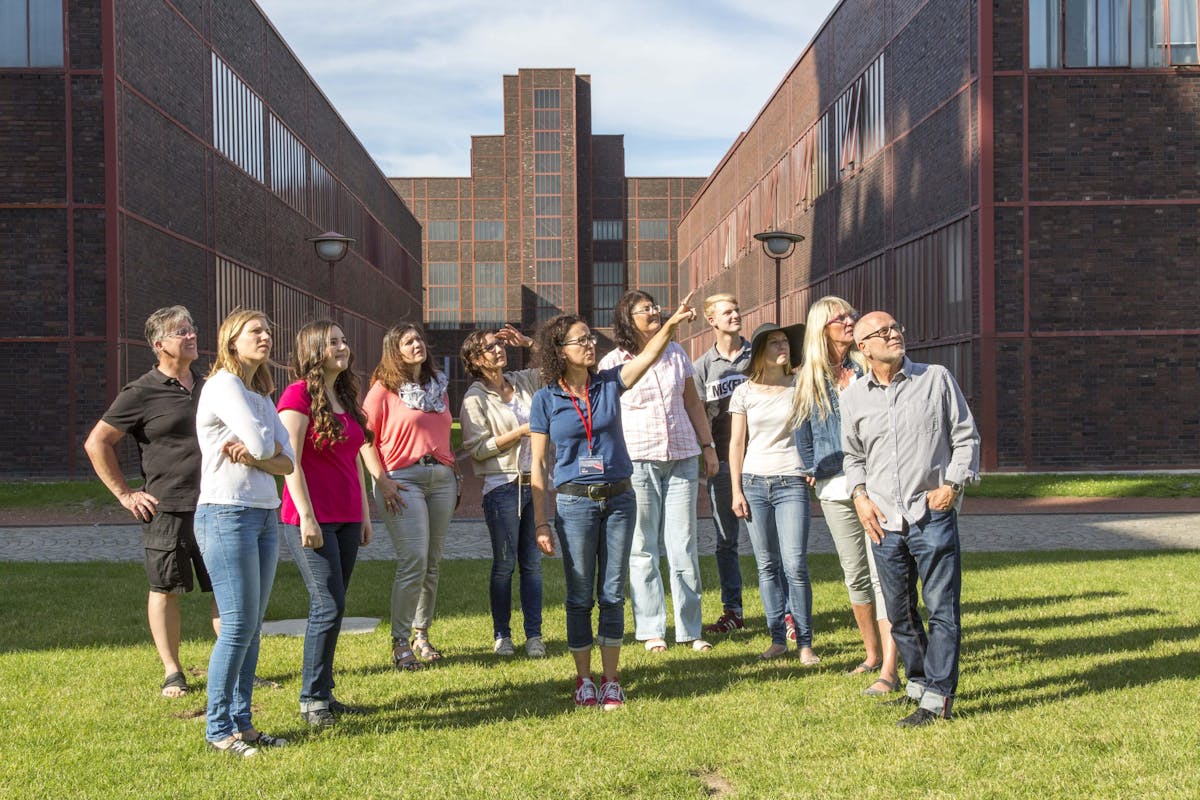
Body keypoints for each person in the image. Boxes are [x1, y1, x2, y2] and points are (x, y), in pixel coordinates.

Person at [529, 293, 698, 710]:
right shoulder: (546, 399)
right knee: (579, 593)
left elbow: (648, 356)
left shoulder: (610, 382)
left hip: (620, 498)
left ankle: (610, 679)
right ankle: (583, 679)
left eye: (590, 338)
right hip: (574, 504)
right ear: (559, 351)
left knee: (612, 592)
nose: (590, 345)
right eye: (580, 340)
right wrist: (541, 523)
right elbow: (536, 465)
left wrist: (672, 324)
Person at [841, 311, 980, 727]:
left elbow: (966, 436)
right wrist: (860, 497)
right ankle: (918, 685)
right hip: (883, 518)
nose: (893, 335)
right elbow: (852, 456)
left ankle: (937, 699)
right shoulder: (853, 397)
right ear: (862, 347)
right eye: (880, 333)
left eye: (896, 327)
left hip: (931, 513)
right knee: (900, 614)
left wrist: (952, 486)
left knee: (941, 610)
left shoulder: (935, 378)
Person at [84, 305, 217, 699]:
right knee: (165, 588)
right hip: (167, 506)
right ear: (159, 345)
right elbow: (97, 443)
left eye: (192, 328)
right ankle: (173, 671)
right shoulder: (141, 392)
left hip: (216, 501)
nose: (191, 335)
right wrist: (125, 494)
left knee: (224, 587)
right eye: (181, 331)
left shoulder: (212, 384)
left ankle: (236, 665)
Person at [195, 309, 295, 757]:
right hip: (225, 513)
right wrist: (262, 452)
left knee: (252, 627)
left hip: (263, 513)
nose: (266, 336)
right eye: (256, 330)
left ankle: (244, 723)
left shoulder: (259, 396)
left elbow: (287, 462)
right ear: (231, 340)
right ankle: (218, 729)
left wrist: (259, 454)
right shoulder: (223, 384)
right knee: (236, 625)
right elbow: (264, 448)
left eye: (270, 330)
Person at [598, 291, 717, 653]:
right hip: (637, 460)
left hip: (682, 455)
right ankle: (652, 630)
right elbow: (605, 414)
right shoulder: (613, 361)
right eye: (645, 309)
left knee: (683, 544)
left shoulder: (677, 353)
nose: (653, 312)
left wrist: (708, 447)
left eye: (654, 307)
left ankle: (690, 629)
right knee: (642, 547)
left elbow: (692, 402)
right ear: (626, 318)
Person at [792, 296, 899, 696]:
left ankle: (890, 661)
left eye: (851, 316)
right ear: (823, 327)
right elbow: (801, 431)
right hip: (833, 486)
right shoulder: (808, 378)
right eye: (841, 318)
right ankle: (872, 654)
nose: (850, 322)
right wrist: (809, 467)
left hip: (874, 482)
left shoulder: (866, 366)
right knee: (854, 572)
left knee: (881, 568)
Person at [278, 320, 382, 727]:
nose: (343, 346)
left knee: (335, 606)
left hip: (347, 517)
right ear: (314, 349)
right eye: (333, 342)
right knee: (327, 604)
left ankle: (324, 694)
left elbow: (354, 458)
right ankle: (311, 701)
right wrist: (306, 516)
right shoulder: (296, 395)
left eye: (343, 340)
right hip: (311, 518)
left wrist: (365, 514)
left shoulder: (344, 394)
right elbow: (289, 462)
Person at [364, 323, 462, 671]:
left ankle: (422, 634)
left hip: (441, 479)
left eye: (419, 339)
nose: (417, 344)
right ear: (395, 350)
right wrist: (382, 480)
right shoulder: (383, 390)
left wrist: (450, 470)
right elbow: (364, 439)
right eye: (408, 341)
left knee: (432, 562)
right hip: (401, 480)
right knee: (414, 560)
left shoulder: (439, 388)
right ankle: (399, 641)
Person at [728, 322, 820, 664]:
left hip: (791, 481)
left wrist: (813, 466)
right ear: (760, 353)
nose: (783, 346)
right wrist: (736, 489)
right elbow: (737, 443)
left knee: (795, 564)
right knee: (766, 565)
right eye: (775, 342)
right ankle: (777, 639)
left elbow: (818, 429)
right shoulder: (744, 392)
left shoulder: (802, 387)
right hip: (753, 482)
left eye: (785, 341)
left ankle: (805, 643)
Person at [459, 324, 545, 658]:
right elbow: (478, 449)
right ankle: (502, 636)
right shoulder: (474, 398)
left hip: (533, 482)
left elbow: (556, 366)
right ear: (475, 360)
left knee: (533, 565)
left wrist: (529, 342)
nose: (498, 350)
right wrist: (521, 431)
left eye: (499, 344)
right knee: (505, 565)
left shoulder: (522, 380)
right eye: (489, 348)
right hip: (502, 488)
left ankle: (534, 636)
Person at [692, 293, 752, 634]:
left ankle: (786, 612)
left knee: (766, 541)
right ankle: (734, 612)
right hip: (724, 464)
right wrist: (708, 451)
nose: (735, 315)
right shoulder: (703, 366)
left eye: (737, 309)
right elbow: (698, 412)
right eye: (727, 312)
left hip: (760, 459)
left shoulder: (756, 356)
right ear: (711, 320)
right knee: (726, 540)